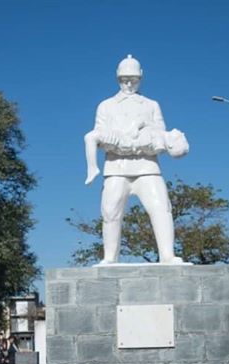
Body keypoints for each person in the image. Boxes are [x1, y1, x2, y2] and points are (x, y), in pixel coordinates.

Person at [85, 54, 187, 265]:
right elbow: (98, 134)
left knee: (161, 209)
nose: (129, 83)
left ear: (141, 77)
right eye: (124, 79)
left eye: (133, 78)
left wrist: (143, 131)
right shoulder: (105, 105)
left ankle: (167, 255)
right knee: (110, 213)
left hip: (147, 167)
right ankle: (110, 257)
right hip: (116, 168)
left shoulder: (151, 105)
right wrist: (117, 138)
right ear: (117, 78)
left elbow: (160, 132)